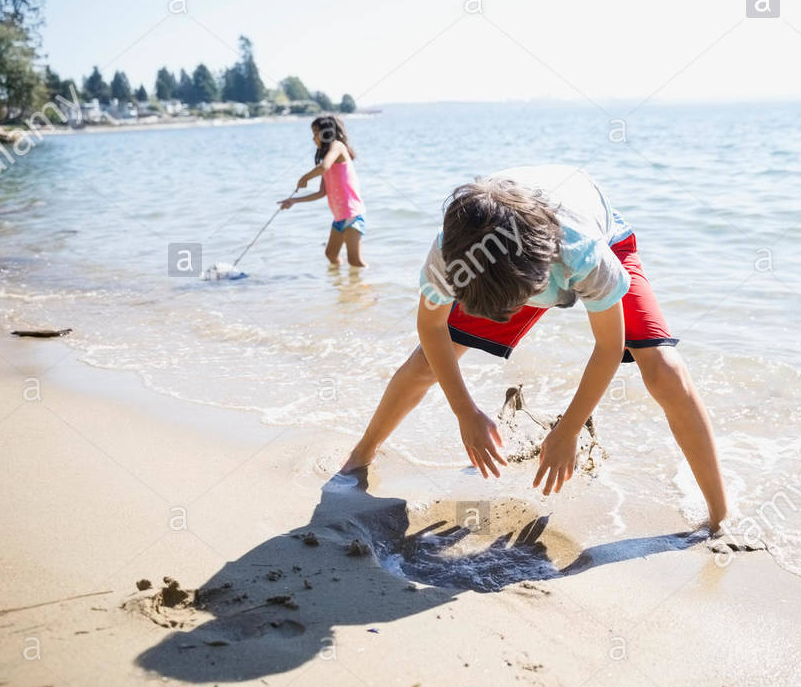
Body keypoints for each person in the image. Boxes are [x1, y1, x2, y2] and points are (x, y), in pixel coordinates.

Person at [341, 164, 728, 531]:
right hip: (502, 253)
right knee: (426, 363)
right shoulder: (449, 256)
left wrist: (569, 430)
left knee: (664, 370)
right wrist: (466, 412)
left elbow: (610, 346)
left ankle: (720, 518)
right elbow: (431, 326)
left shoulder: (585, 252)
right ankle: (360, 456)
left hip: (588, 231)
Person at [279, 114, 367, 267]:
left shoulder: (338, 146)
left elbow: (324, 167)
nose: (313, 139)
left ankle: (366, 288)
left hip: (352, 214)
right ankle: (345, 287)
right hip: (339, 217)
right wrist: (293, 200)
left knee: (355, 261)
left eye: (315, 135)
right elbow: (321, 192)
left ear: (326, 134)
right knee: (331, 254)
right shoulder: (328, 158)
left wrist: (305, 177)